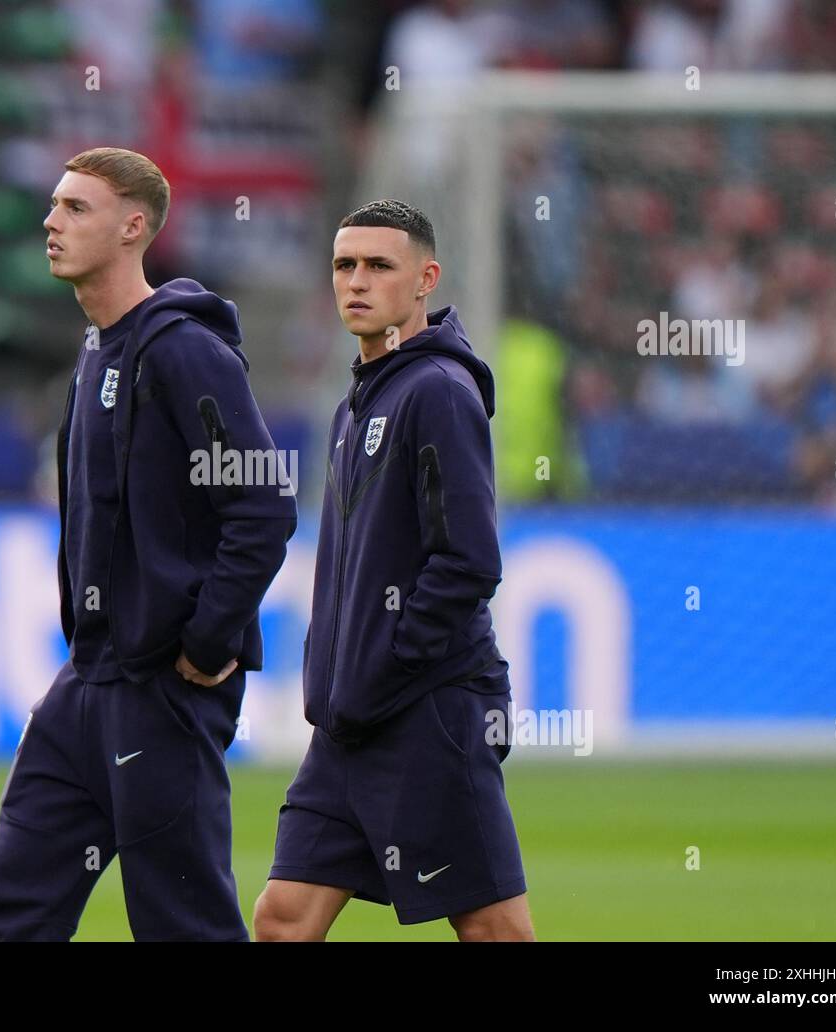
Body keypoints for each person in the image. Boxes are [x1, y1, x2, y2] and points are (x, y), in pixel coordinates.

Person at [0, 147, 297, 941]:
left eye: (75, 208)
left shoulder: (186, 350)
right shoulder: (93, 354)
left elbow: (262, 506)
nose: (50, 222)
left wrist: (206, 638)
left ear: (133, 227)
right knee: (16, 910)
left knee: (181, 922)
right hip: (87, 683)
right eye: (53, 205)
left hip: (163, 686)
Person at [254, 199, 534, 941]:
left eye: (379, 265)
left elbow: (470, 558)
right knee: (282, 920)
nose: (356, 280)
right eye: (344, 265)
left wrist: (393, 658)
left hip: (427, 711)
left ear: (424, 280)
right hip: (349, 723)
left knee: (494, 931)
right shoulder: (356, 403)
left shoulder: (438, 391)